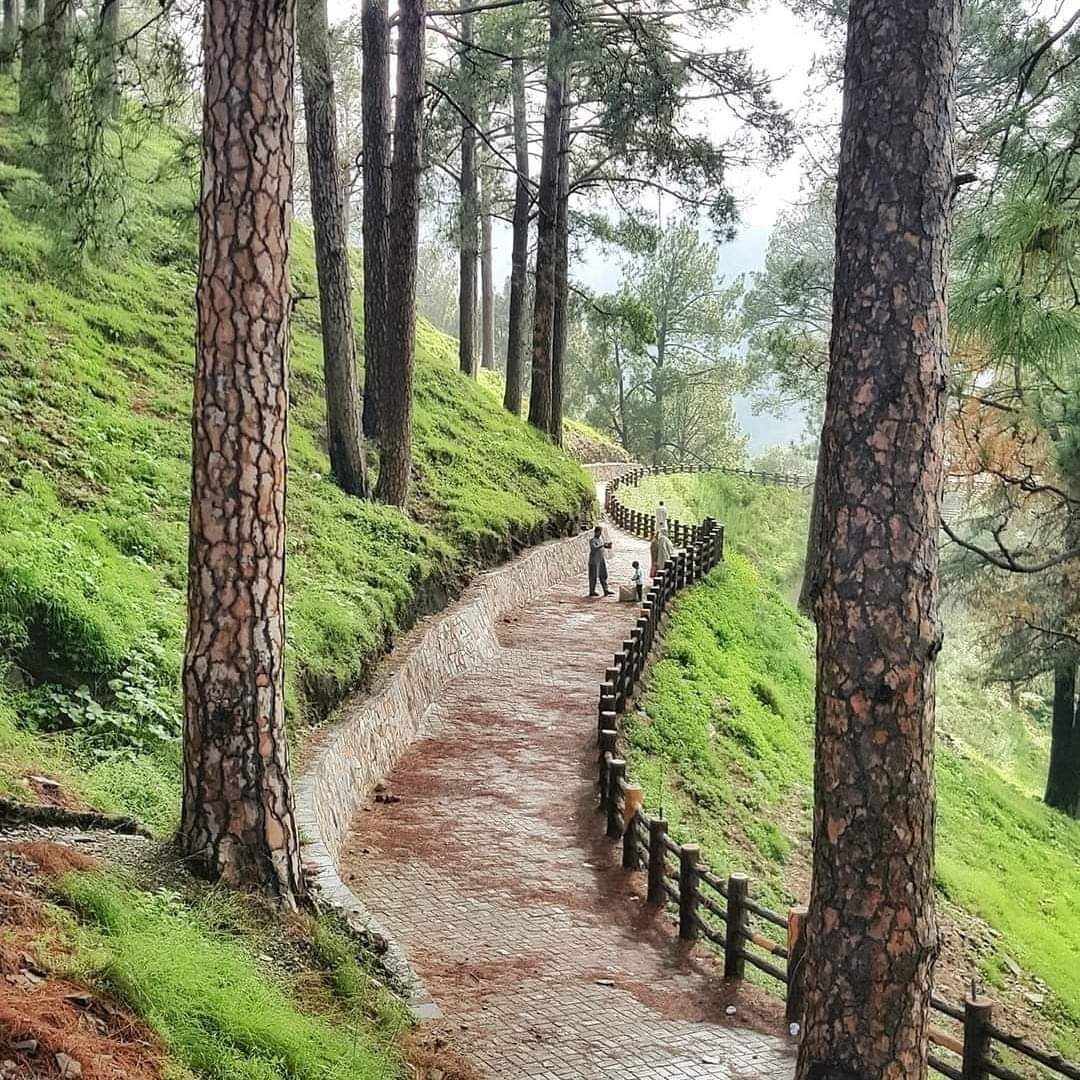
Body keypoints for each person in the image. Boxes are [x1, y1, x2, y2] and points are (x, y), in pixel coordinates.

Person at [588, 526, 613, 597]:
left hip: (601, 560)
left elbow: (602, 547)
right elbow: (594, 548)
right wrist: (602, 545)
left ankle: (605, 590)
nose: (600, 534)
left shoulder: (600, 539)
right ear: (596, 532)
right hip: (594, 561)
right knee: (593, 576)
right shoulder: (592, 540)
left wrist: (608, 545)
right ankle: (592, 591)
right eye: (599, 532)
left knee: (603, 575)